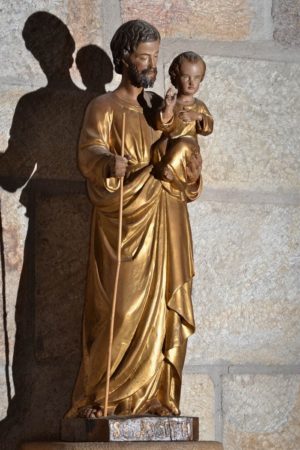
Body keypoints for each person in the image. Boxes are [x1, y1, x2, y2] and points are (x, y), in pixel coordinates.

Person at [66, 20, 202, 419]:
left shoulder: (162, 107)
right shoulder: (104, 107)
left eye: (156, 57)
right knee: (119, 311)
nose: (151, 65)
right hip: (124, 225)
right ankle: (102, 397)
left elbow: (182, 161)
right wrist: (109, 162)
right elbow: (88, 153)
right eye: (144, 57)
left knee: (164, 309)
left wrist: (191, 176)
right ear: (123, 57)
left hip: (167, 220)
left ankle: (159, 398)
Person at [152, 51, 213, 194]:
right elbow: (161, 125)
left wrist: (197, 116)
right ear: (175, 77)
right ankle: (164, 170)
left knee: (182, 145)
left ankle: (172, 175)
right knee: (158, 148)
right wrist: (168, 108)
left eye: (197, 78)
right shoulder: (171, 102)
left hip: (188, 144)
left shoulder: (199, 106)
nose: (192, 83)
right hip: (169, 141)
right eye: (186, 77)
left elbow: (209, 127)